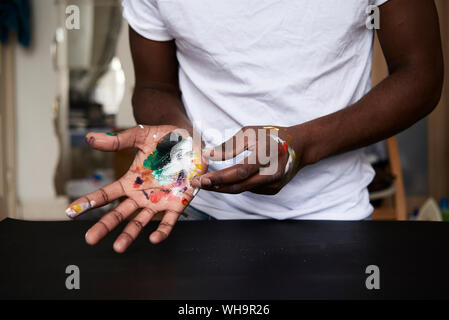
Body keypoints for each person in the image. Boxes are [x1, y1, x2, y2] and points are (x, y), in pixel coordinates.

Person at [66, 0, 443, 253]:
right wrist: (176, 142)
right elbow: (155, 85)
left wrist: (302, 146)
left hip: (331, 218)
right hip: (193, 209)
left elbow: (421, 74)